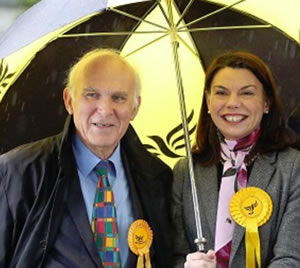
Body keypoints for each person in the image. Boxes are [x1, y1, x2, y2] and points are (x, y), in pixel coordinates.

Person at [0, 48, 173, 268]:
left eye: (118, 98)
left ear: (135, 107)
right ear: (69, 100)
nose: (105, 109)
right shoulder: (17, 172)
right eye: (92, 95)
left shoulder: (157, 177)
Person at [172, 51, 300, 267]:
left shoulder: (293, 167)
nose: (232, 103)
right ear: (208, 101)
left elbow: (291, 258)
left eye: (247, 93)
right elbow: (175, 254)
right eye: (221, 93)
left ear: (266, 102)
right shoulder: (186, 172)